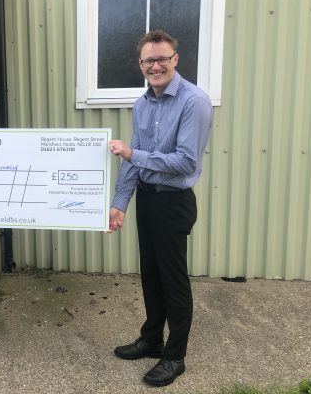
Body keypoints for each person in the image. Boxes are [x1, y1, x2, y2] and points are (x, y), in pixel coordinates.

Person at [108, 30, 213, 387]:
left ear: (175, 60)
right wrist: (120, 204)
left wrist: (133, 154)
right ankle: (152, 339)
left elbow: (185, 162)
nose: (155, 66)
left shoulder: (193, 101)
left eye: (161, 59)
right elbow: (133, 161)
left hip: (173, 203)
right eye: (148, 61)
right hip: (148, 199)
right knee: (151, 276)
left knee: (173, 281)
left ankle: (174, 356)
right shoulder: (142, 104)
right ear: (141, 65)